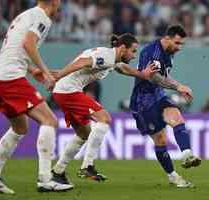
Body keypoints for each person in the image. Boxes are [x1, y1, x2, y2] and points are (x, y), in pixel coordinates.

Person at [0, 0, 73, 194]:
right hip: (10, 78)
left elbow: (15, 48)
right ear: (54, 1)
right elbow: (28, 43)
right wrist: (46, 72)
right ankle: (45, 179)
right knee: (49, 120)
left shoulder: (25, 14)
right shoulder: (42, 17)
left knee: (20, 127)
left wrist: (31, 70)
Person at [50, 33, 156, 184]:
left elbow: (122, 68)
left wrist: (142, 74)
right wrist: (57, 76)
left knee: (83, 134)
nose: (134, 56)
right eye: (133, 51)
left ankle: (57, 172)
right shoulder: (107, 57)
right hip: (69, 91)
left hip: (64, 91)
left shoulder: (112, 58)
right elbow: (82, 62)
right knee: (104, 118)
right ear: (122, 48)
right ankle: (87, 165)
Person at [129, 25, 201, 188]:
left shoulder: (169, 53)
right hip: (143, 102)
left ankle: (187, 154)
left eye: (182, 44)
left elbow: (164, 75)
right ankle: (173, 176)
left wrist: (177, 85)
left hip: (159, 95)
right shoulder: (152, 51)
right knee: (161, 140)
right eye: (177, 43)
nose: (179, 47)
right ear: (167, 38)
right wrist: (178, 87)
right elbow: (154, 77)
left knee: (177, 117)